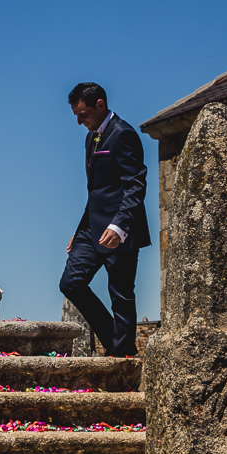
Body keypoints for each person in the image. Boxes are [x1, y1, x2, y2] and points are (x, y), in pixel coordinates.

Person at [59, 82, 151, 356]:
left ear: (100, 105)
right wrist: (80, 230)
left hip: (120, 229)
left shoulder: (124, 134)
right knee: (70, 282)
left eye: (83, 114)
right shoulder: (90, 138)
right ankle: (116, 342)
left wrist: (119, 225)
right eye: (76, 115)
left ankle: (121, 356)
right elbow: (96, 191)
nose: (79, 121)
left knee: (121, 295)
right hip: (91, 227)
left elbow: (135, 184)